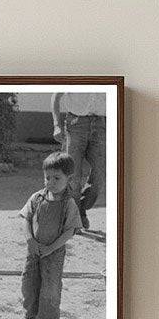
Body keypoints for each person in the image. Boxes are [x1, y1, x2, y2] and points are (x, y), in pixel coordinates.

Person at [15, 151, 82, 319]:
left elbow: (70, 230)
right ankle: (29, 318)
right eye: (47, 177)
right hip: (33, 251)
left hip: (53, 254)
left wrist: (51, 248)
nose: (51, 182)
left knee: (50, 290)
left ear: (69, 179)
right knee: (29, 285)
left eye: (57, 178)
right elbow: (26, 218)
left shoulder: (68, 204)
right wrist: (30, 240)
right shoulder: (37, 198)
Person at [50, 90, 107, 230]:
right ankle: (74, 217)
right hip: (75, 125)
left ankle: (80, 207)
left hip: (102, 125)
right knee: (73, 175)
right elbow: (56, 96)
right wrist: (57, 125)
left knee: (101, 174)